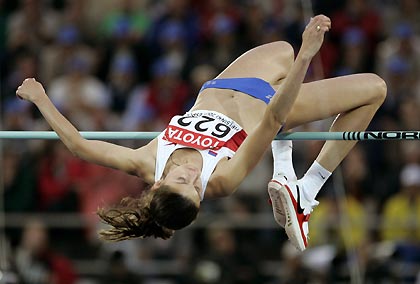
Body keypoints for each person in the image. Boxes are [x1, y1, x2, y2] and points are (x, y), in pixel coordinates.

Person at [16, 15, 387, 251]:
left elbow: (78, 145)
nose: (195, 179)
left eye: (183, 181)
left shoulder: (146, 160)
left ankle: (289, 172)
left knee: (282, 48)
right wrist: (307, 59)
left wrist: (41, 99)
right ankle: (309, 187)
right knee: (374, 88)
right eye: (197, 191)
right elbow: (274, 118)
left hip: (229, 83)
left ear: (158, 185)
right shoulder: (221, 180)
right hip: (271, 105)